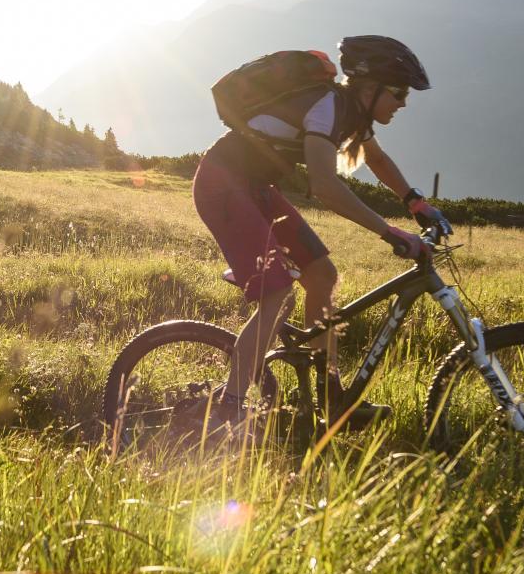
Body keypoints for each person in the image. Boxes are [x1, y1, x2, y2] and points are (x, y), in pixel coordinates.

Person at [191, 34, 449, 433]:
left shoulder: (351, 113)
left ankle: (331, 400)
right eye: (398, 93)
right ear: (370, 87)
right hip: (223, 186)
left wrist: (415, 202)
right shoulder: (328, 106)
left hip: (255, 188)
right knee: (278, 298)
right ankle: (229, 409)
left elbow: (376, 160)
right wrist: (389, 232)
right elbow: (325, 186)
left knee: (323, 276)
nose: (403, 103)